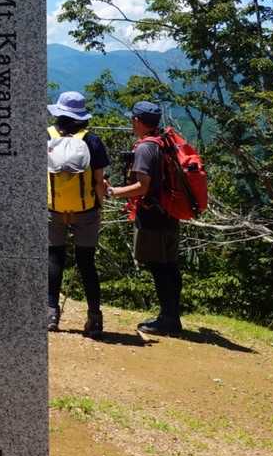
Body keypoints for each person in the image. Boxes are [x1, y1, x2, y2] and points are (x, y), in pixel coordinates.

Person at [105, 100, 183, 335]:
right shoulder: (163, 141)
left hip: (153, 216)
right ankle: (171, 316)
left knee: (159, 267)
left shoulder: (145, 148)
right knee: (169, 266)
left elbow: (142, 186)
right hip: (169, 212)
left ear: (138, 121)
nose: (131, 122)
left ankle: (168, 320)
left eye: (132, 119)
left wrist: (113, 192)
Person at [45, 90, 109, 338]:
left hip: (54, 207)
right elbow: (99, 181)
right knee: (86, 263)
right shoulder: (92, 140)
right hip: (86, 209)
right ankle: (94, 318)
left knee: (54, 258)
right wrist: (99, 205)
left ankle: (50, 313)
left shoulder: (47, 136)